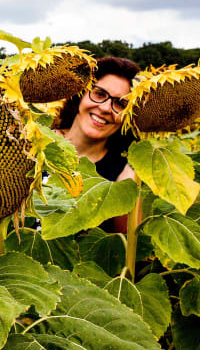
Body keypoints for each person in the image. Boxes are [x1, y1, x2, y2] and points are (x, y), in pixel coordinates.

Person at [54, 55, 140, 232]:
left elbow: (129, 249)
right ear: (80, 93)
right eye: (99, 94)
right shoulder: (36, 141)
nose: (105, 108)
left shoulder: (123, 179)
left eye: (121, 104)